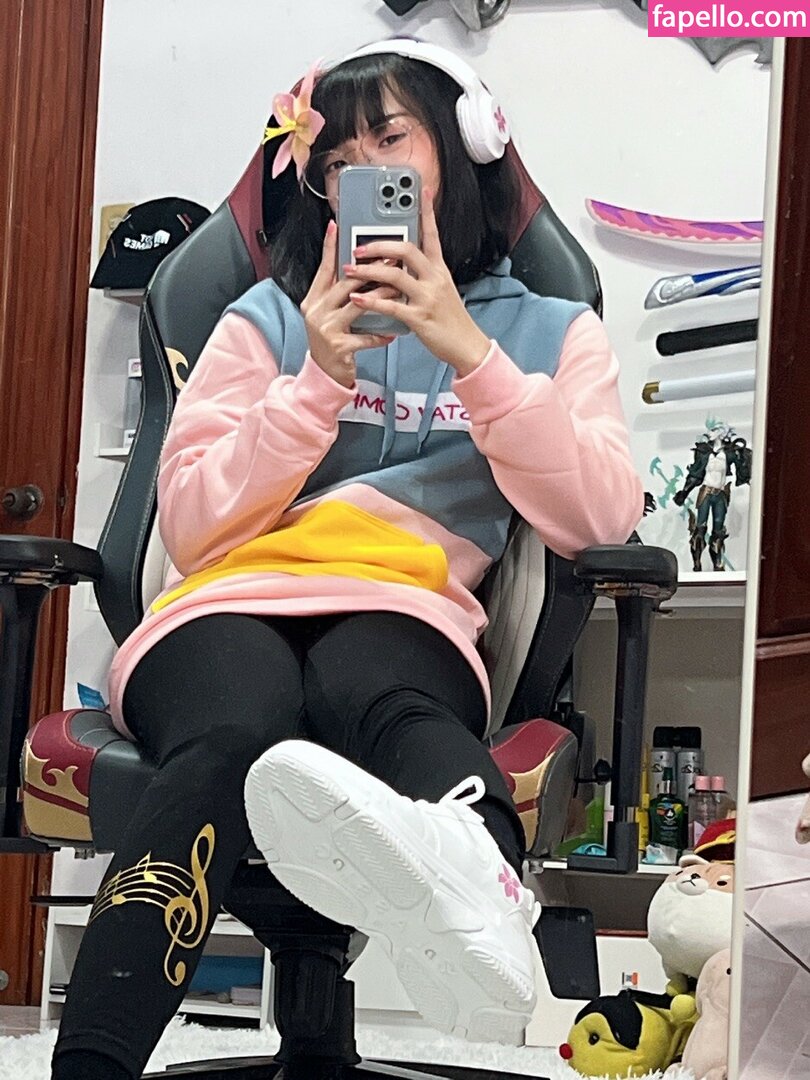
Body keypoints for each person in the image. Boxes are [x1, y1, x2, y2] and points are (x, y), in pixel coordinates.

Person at [51, 39, 643, 1080]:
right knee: (228, 734)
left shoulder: (552, 332)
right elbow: (190, 526)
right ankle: (91, 1066)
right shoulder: (266, 319)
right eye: (338, 156)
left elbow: (596, 514)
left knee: (388, 697)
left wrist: (473, 356)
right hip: (229, 603)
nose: (363, 167)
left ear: (459, 149)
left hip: (406, 604)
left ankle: (479, 882)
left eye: (391, 138)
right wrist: (317, 379)